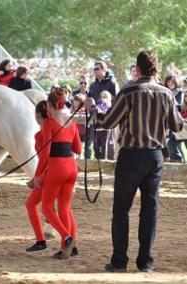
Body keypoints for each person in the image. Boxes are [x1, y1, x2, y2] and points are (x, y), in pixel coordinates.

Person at [84, 51, 185, 272]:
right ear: (156, 69)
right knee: (150, 209)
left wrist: (92, 109)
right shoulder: (167, 94)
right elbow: (177, 126)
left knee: (121, 209)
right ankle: (145, 262)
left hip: (130, 156)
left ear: (137, 69)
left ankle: (119, 262)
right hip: (155, 157)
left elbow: (108, 121)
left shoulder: (129, 92)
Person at [39, 87, 81, 259]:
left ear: (49, 105)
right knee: (64, 207)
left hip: (57, 167)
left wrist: (38, 175)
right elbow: (77, 148)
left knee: (47, 208)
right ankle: (71, 248)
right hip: (72, 167)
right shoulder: (71, 122)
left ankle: (67, 237)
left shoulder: (49, 123)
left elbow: (45, 152)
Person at [25, 100, 49, 252]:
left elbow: (45, 157)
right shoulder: (57, 127)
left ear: (38, 115)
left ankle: (42, 240)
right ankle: (69, 240)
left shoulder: (41, 134)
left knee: (43, 208)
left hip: (48, 174)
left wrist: (38, 177)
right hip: (58, 170)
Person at [164, 75, 185, 162]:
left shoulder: (179, 92)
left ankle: (177, 158)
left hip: (178, 120)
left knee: (174, 140)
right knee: (172, 141)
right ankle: (177, 159)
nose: (170, 83)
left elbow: (179, 106)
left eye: (172, 81)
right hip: (168, 120)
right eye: (168, 81)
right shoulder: (165, 92)